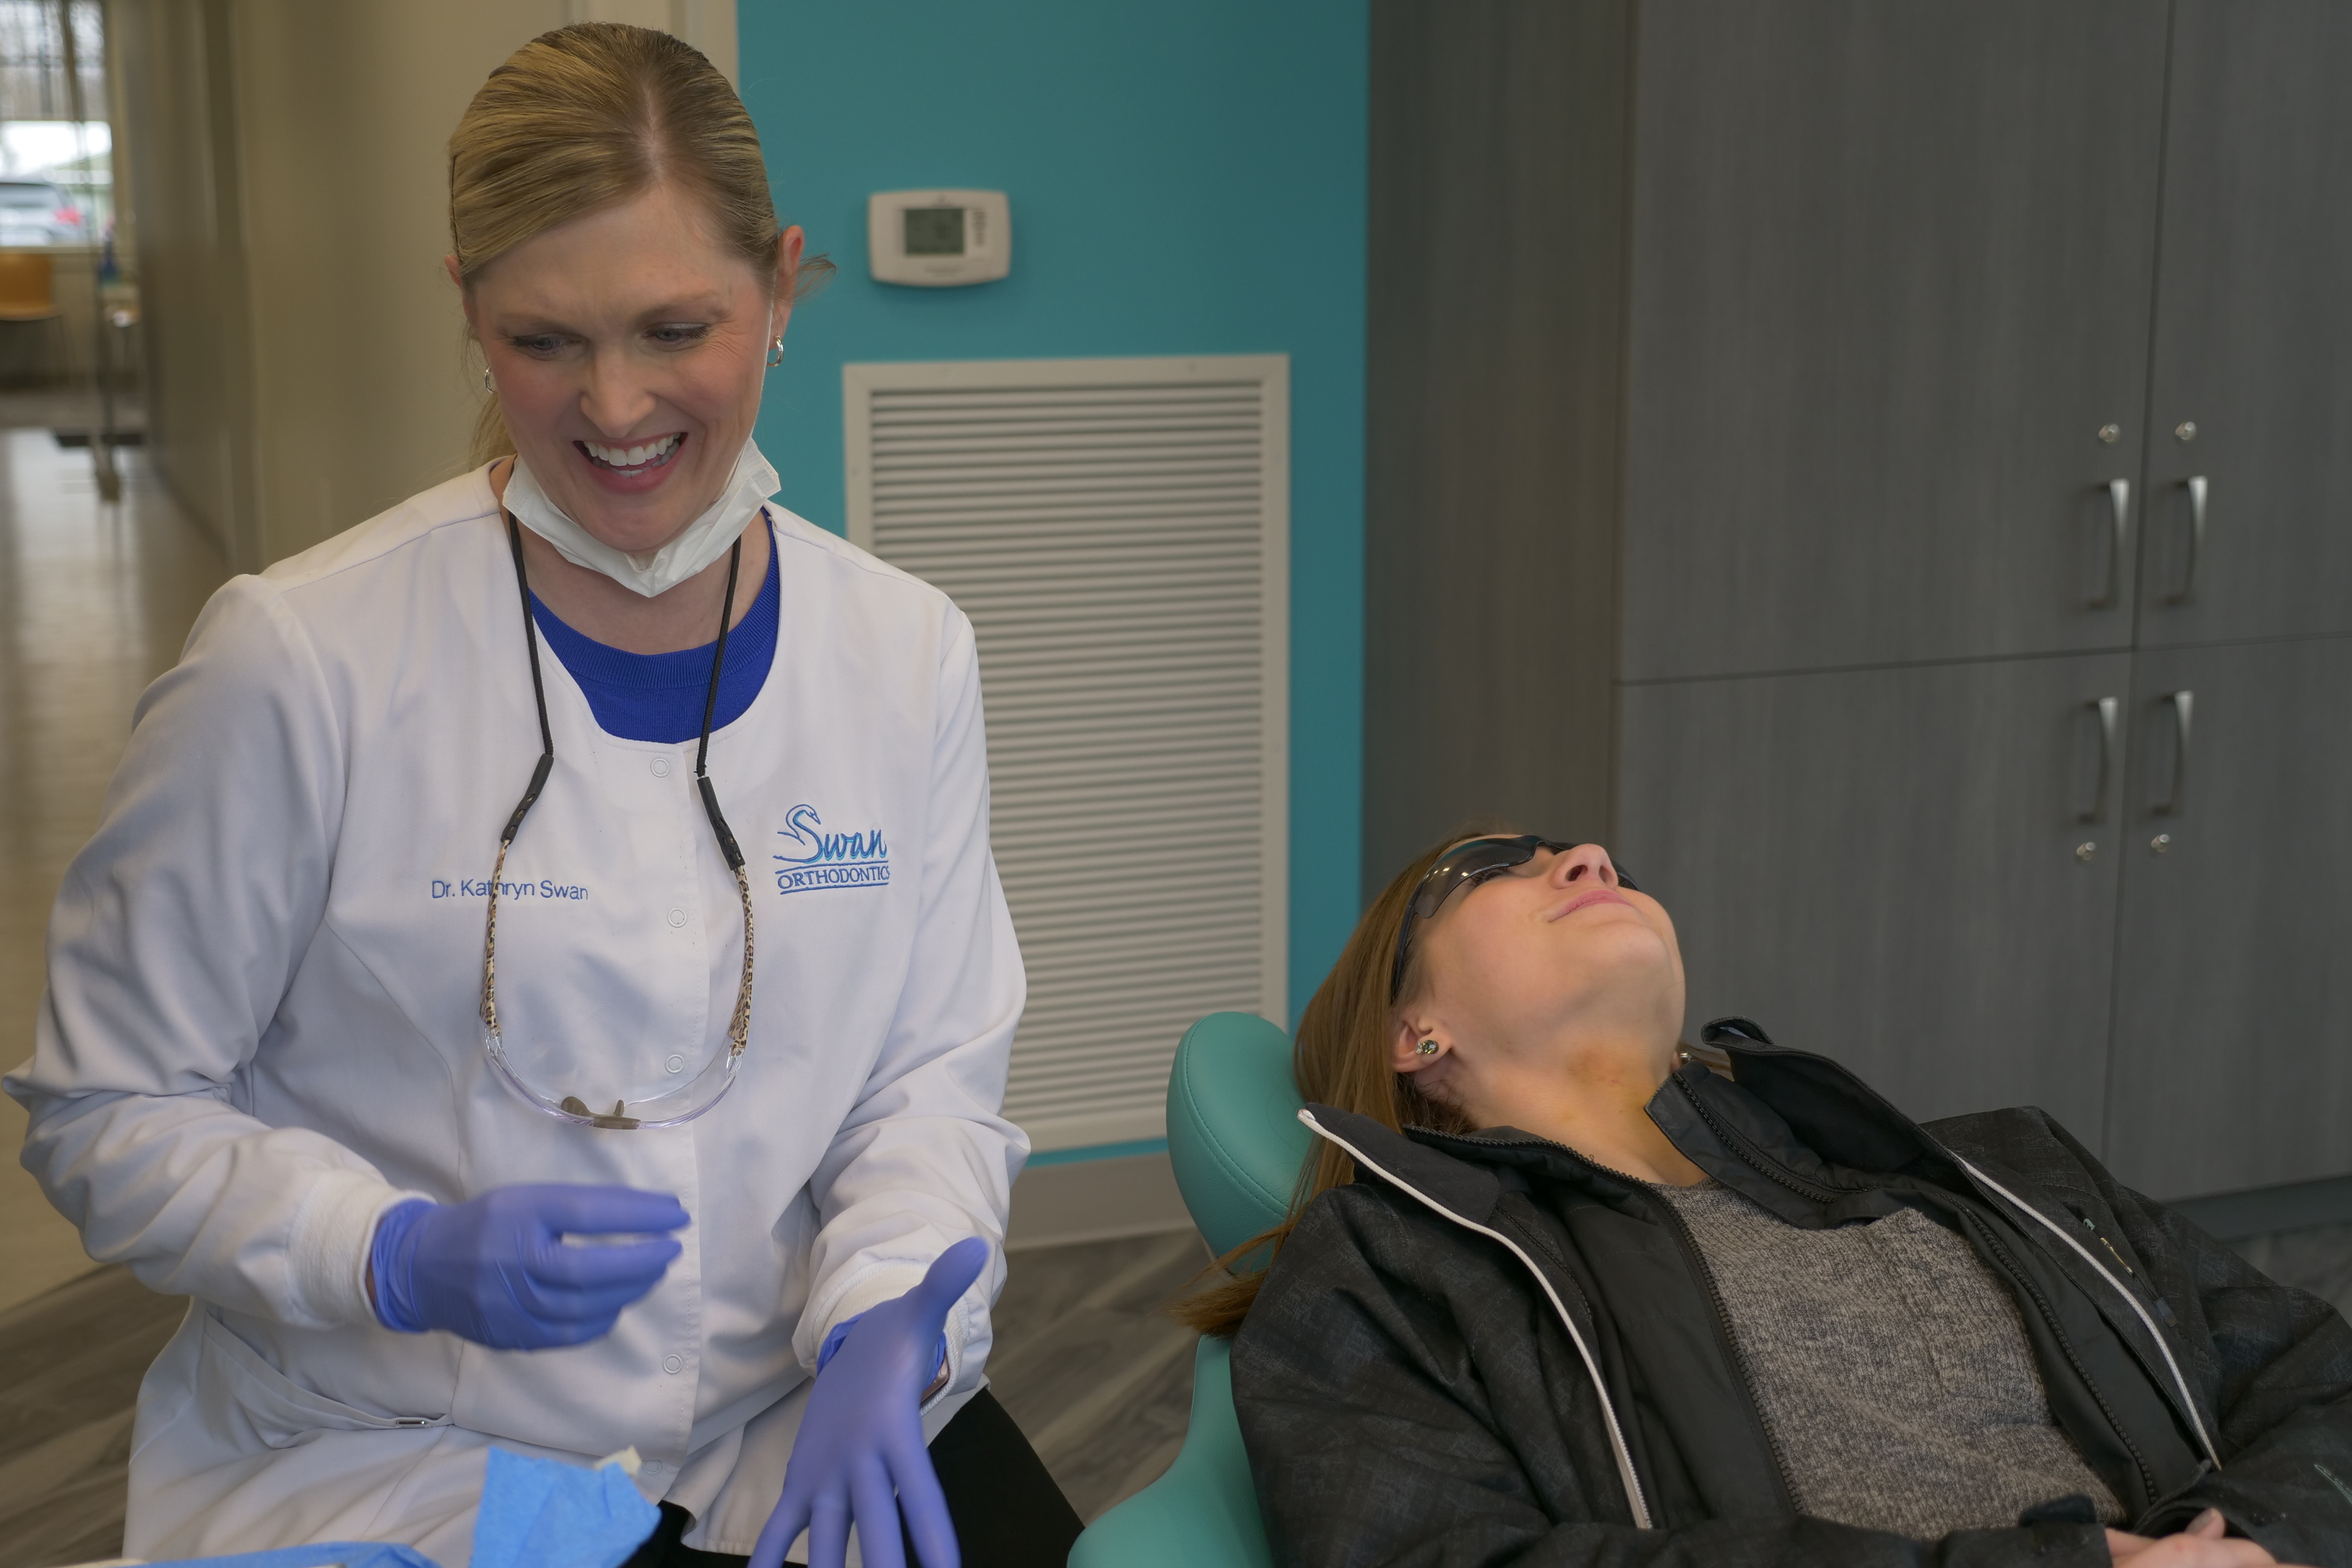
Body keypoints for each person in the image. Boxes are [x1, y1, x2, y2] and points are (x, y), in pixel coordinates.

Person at [5, 24, 1080, 1568]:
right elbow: (108, 1108)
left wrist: (885, 1319)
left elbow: (926, 1081)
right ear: (467, 309)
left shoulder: (904, 652)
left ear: (780, 286)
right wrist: (383, 1251)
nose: (617, 406)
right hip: (401, 1447)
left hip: (780, 1408)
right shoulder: (300, 658)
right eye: (545, 341)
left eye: (675, 327)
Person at [1185, 830, 2352, 1568]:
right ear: (1414, 1032)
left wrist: (2253, 1539)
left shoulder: (2011, 1169)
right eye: (1494, 869)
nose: (1590, 856)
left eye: (1598, 860)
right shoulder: (1392, 1270)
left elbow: (2317, 1375)